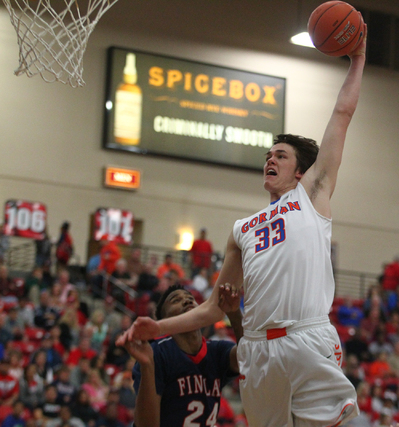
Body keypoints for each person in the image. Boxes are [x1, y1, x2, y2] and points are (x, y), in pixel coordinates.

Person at [118, 26, 367, 427]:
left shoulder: (312, 195)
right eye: (268, 154)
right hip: (257, 352)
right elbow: (215, 307)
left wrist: (357, 59)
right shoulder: (242, 228)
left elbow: (342, 114)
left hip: (306, 337)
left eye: (281, 155)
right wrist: (156, 326)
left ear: (301, 172)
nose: (270, 159)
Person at [123, 284, 242, 427]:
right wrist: (147, 366)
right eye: (175, 300)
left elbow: (250, 357)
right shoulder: (156, 352)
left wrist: (234, 314)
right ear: (164, 320)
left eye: (190, 298)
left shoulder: (217, 350)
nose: (187, 301)